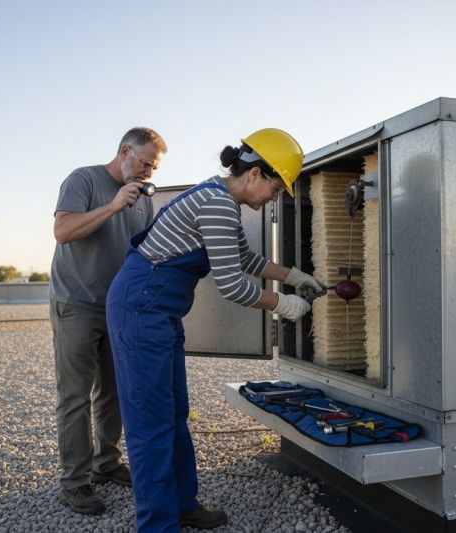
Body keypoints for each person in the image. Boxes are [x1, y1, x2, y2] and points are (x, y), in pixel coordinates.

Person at [105, 128, 324, 532]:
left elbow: (245, 259)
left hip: (159, 310)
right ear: (256, 173)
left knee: (173, 412)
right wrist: (284, 304)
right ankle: (158, 524)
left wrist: (295, 276)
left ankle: (183, 505)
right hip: (141, 307)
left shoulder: (219, 197)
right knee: (149, 420)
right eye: (275, 190)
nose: (272, 199)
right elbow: (234, 286)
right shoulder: (218, 204)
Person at [50, 127, 167, 515]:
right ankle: (75, 483)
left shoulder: (143, 200)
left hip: (119, 307)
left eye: (155, 165)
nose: (150, 171)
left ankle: (106, 464)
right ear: (124, 152)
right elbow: (62, 231)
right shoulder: (83, 179)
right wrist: (113, 206)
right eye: (146, 162)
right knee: (75, 396)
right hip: (77, 302)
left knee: (114, 392)